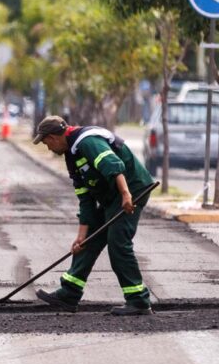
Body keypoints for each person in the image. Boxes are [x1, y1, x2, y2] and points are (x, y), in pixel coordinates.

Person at [32, 115, 155, 316]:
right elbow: (86, 199)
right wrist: (81, 236)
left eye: (46, 143)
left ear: (54, 137)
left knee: (118, 244)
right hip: (112, 195)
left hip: (131, 189)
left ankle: (138, 301)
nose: (48, 148)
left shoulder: (87, 142)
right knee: (88, 241)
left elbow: (114, 166)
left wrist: (126, 195)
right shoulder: (71, 156)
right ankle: (69, 294)